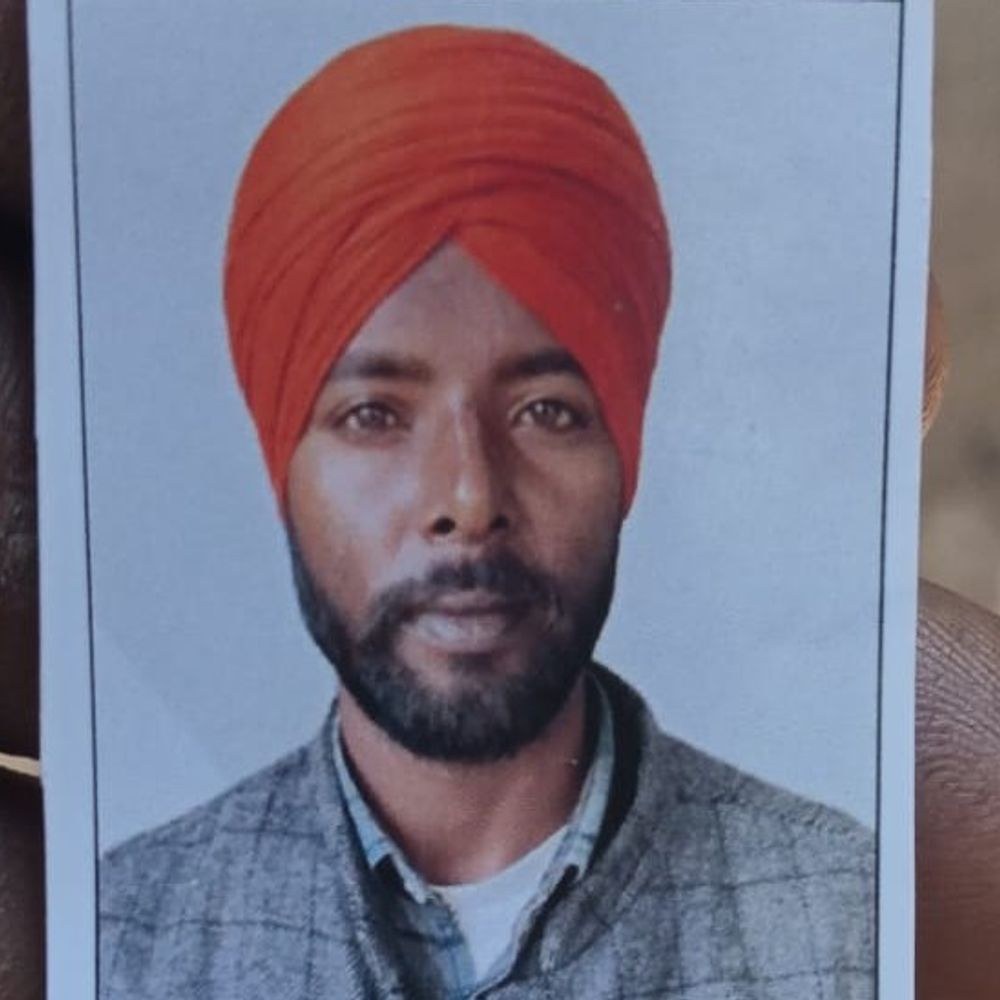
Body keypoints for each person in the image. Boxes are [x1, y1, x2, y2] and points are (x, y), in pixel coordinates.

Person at [1, 8, 998, 1000]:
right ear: (280, 466)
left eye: (545, 411)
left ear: (628, 452)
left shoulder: (842, 907)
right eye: (374, 415)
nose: (469, 498)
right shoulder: (126, 924)